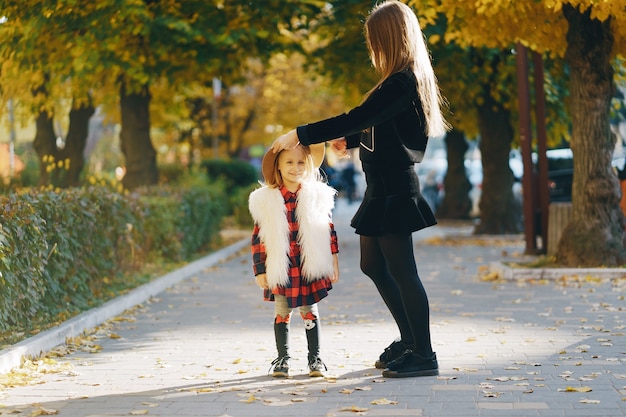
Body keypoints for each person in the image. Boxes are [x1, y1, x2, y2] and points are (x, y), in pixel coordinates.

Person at [271, 0, 449, 378]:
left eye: (376, 41)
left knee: (403, 270)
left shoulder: (403, 80)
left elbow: (362, 116)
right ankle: (409, 340)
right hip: (380, 187)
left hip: (396, 187)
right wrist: (348, 140)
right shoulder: (394, 81)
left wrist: (301, 133)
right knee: (373, 265)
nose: (374, 49)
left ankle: (424, 353)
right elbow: (374, 125)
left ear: (390, 38)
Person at [248, 143, 340, 378]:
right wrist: (260, 270)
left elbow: (328, 230)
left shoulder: (315, 196)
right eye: (289, 162)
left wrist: (333, 260)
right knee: (282, 311)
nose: (295, 167)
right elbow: (258, 238)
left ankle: (315, 359)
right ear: (278, 166)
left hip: (308, 264)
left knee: (310, 310)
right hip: (282, 266)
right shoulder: (267, 200)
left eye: (300, 162)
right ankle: (282, 358)